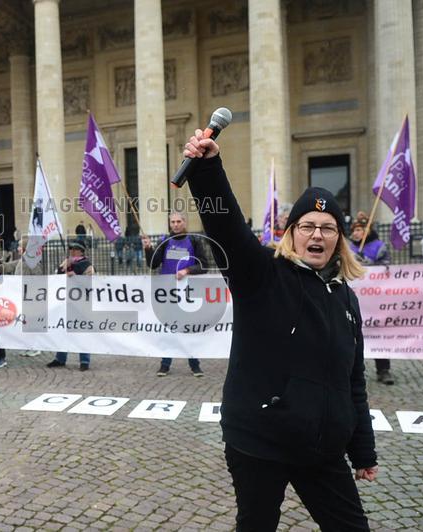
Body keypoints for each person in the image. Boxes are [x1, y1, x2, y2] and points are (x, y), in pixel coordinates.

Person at [183, 128, 377, 530]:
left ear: (339, 239)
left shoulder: (346, 299)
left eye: (328, 227)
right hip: (260, 443)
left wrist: (363, 452)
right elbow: (228, 230)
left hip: (321, 449)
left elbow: (352, 380)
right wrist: (207, 171)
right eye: (307, 225)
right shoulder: (262, 275)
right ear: (291, 233)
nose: (317, 234)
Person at [142, 212, 208, 377]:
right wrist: (148, 249)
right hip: (168, 294)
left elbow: (204, 265)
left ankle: (194, 364)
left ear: (184, 223)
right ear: (170, 224)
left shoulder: (194, 240)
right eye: (173, 222)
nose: (176, 224)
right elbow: (153, 264)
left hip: (188, 294)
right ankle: (165, 364)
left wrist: (187, 270)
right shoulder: (164, 242)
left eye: (179, 221)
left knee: (188, 329)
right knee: (169, 330)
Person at [347, 222, 395, 385]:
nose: (356, 233)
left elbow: (386, 268)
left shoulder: (379, 246)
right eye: (354, 230)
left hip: (374, 300)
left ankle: (383, 370)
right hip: (353, 299)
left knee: (378, 332)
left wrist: (366, 262)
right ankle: (350, 371)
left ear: (367, 231)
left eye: (360, 229)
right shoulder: (347, 247)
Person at [47, 241, 94, 371]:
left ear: (81, 251)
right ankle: (60, 358)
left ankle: (84, 360)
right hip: (65, 301)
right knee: (63, 330)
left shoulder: (87, 265)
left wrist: (76, 276)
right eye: (71, 249)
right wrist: (63, 269)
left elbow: (90, 283)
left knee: (81, 332)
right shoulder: (67, 262)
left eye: (75, 249)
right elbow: (56, 276)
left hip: (81, 303)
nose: (72, 252)